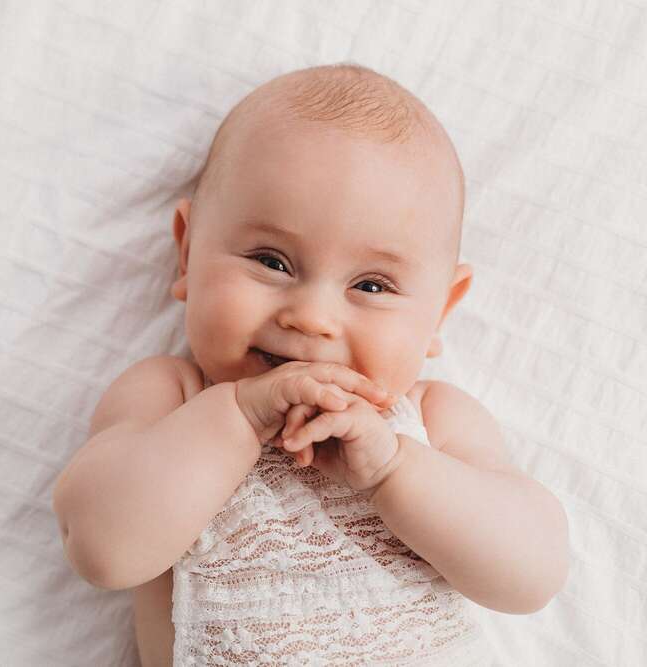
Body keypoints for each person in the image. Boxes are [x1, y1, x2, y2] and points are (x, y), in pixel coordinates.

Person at [52, 62, 570, 666]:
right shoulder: (170, 396)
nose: (311, 317)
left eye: (373, 285)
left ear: (439, 313)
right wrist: (238, 417)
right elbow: (103, 550)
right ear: (188, 254)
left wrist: (393, 469)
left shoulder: (432, 421)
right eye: (272, 262)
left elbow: (533, 575)